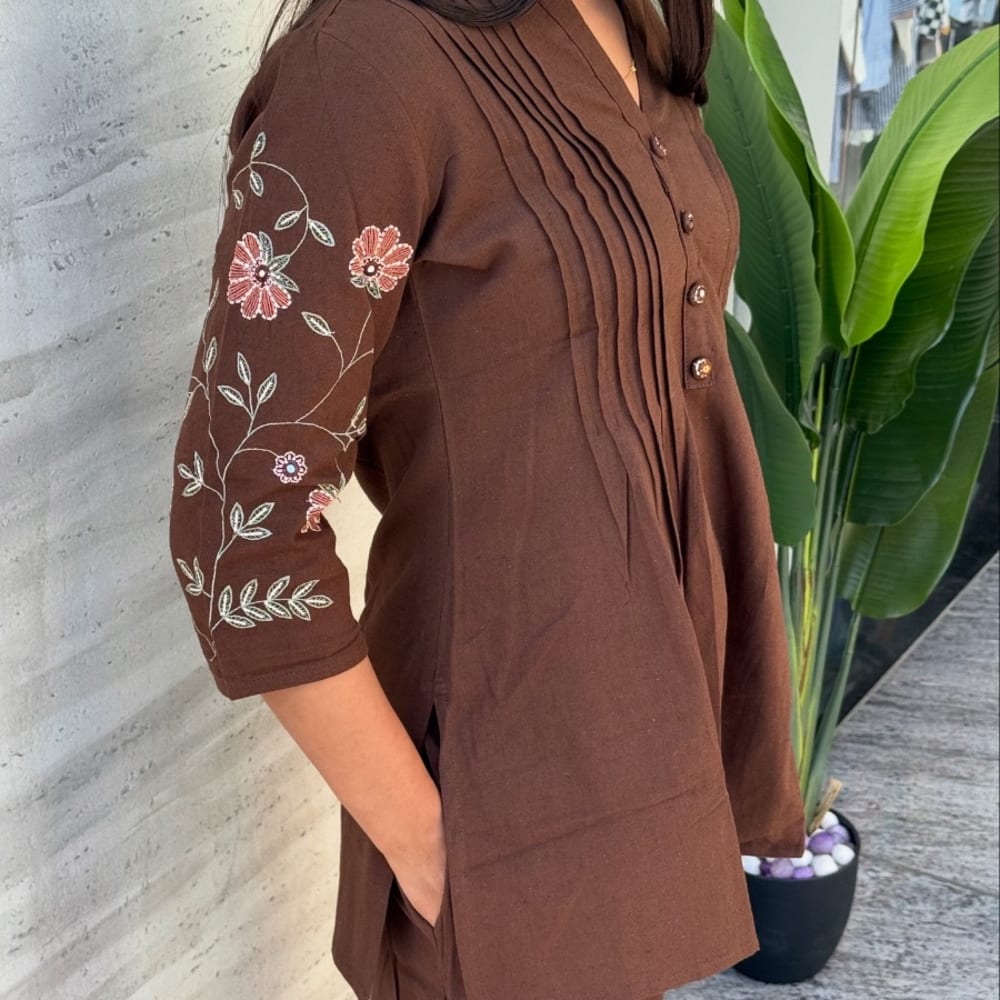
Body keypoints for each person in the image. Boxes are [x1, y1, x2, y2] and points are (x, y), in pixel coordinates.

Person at [167, 0, 808, 996]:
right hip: (503, 841)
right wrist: (433, 851)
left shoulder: (636, 22)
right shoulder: (368, 65)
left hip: (645, 794)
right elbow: (234, 525)